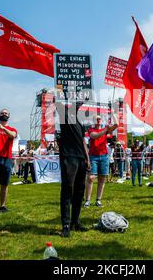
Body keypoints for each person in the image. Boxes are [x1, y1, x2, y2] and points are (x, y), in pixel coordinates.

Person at [56, 101, 91, 237]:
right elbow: (58, 103)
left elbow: (83, 141)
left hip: (81, 158)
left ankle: (75, 222)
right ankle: (66, 225)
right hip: (69, 157)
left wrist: (87, 158)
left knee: (79, 191)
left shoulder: (79, 122)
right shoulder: (64, 117)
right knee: (67, 190)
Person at [84, 114, 118, 207]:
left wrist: (113, 113)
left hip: (104, 156)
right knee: (91, 178)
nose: (98, 120)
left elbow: (116, 125)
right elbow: (95, 136)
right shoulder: (91, 129)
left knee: (102, 179)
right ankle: (87, 200)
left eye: (99, 119)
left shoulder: (104, 130)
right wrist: (106, 130)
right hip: (93, 156)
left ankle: (98, 200)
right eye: (96, 119)